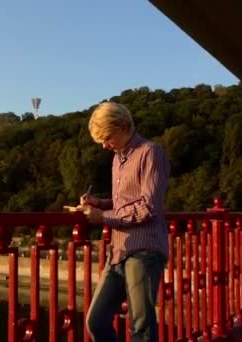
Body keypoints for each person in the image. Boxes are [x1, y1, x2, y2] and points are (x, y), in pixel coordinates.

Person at [81, 101, 170, 342]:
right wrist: (100, 203)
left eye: (107, 137)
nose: (103, 144)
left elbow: (148, 207)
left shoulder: (151, 152)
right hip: (120, 250)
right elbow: (125, 202)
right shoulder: (116, 159)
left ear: (122, 126)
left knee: (141, 327)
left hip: (144, 249)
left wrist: (103, 217)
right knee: (96, 321)